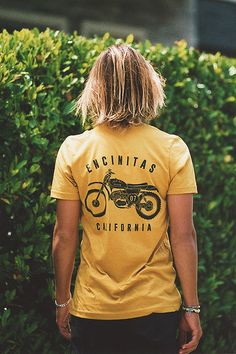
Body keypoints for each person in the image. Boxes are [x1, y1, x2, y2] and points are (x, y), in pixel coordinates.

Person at [50, 43, 203, 354]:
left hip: (93, 310)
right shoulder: (171, 148)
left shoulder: (74, 149)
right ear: (146, 87)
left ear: (97, 89)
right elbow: (183, 235)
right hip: (155, 309)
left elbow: (64, 236)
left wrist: (63, 299)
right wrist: (192, 308)